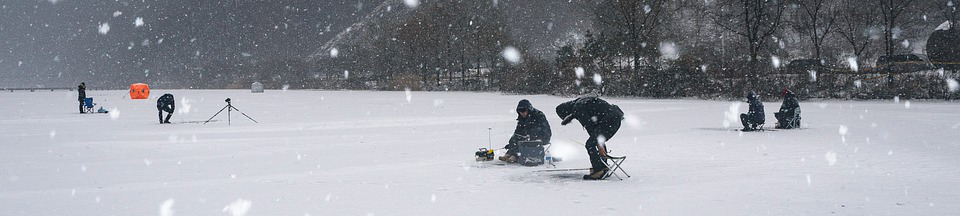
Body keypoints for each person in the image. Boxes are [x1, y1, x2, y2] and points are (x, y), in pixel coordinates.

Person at [555, 96, 623, 180]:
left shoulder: (578, 108)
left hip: (608, 121)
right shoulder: (582, 101)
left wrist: (597, 143)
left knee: (590, 144)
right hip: (614, 119)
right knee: (596, 141)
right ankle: (603, 166)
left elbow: (590, 126)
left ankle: (599, 170)